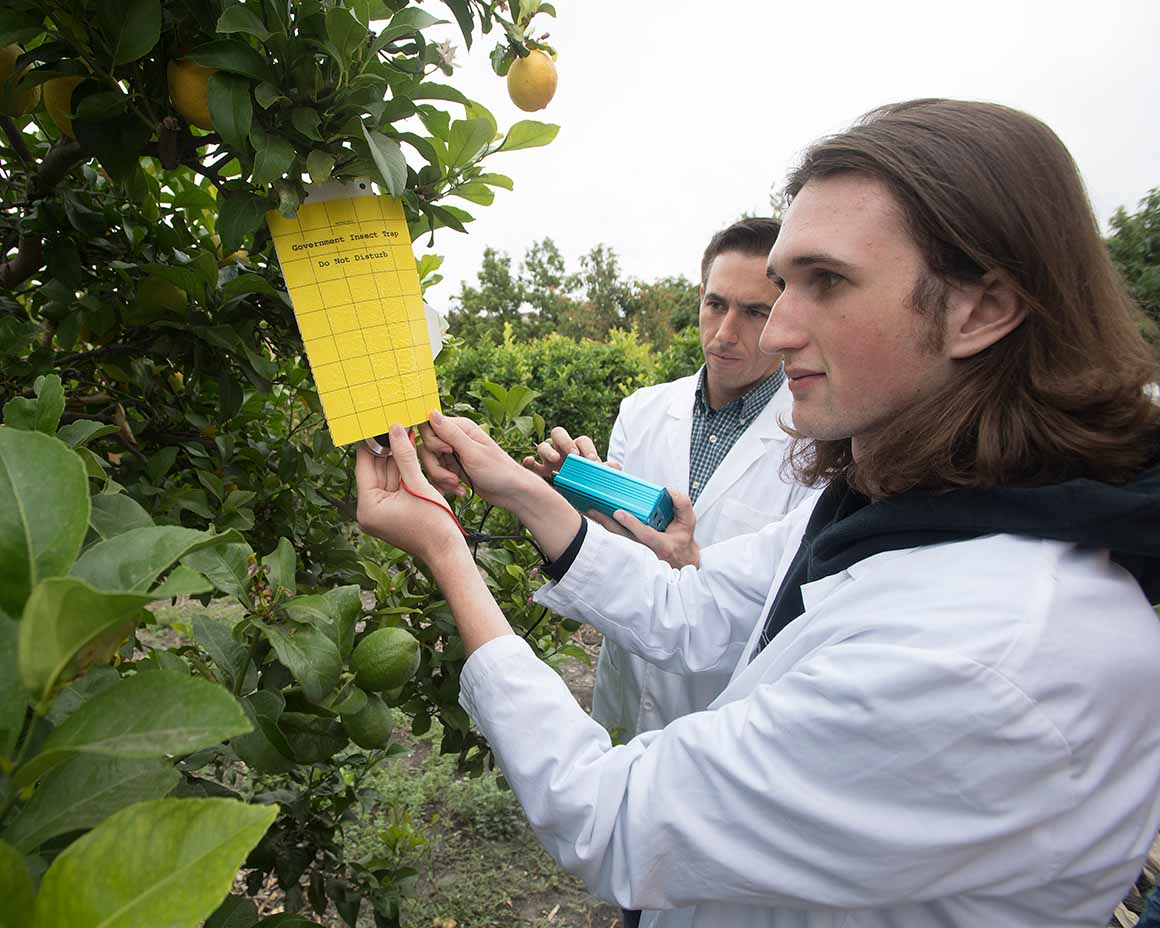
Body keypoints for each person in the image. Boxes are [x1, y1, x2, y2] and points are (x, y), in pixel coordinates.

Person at [355, 99, 1160, 927]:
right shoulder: (909, 509)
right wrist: (514, 484)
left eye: (828, 283)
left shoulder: (989, 652)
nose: (774, 332)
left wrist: (446, 555)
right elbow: (688, 606)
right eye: (780, 286)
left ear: (982, 309)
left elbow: (615, 818)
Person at [527, 218, 817, 744]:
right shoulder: (642, 411)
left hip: (722, 716)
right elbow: (617, 555)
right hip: (625, 688)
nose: (727, 332)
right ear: (700, 298)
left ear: (786, 316)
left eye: (756, 312)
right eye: (716, 305)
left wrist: (688, 560)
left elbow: (780, 602)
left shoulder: (814, 445)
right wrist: (584, 497)